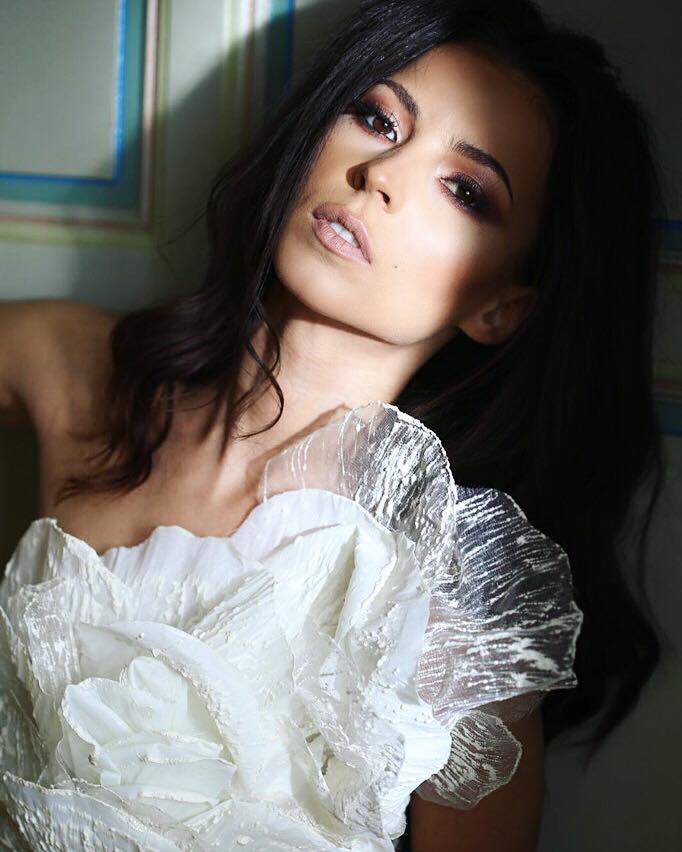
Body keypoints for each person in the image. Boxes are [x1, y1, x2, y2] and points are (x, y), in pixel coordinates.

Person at [0, 0, 668, 849]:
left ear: (501, 307)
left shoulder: (451, 596)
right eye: (377, 118)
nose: (380, 174)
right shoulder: (77, 369)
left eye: (464, 189)